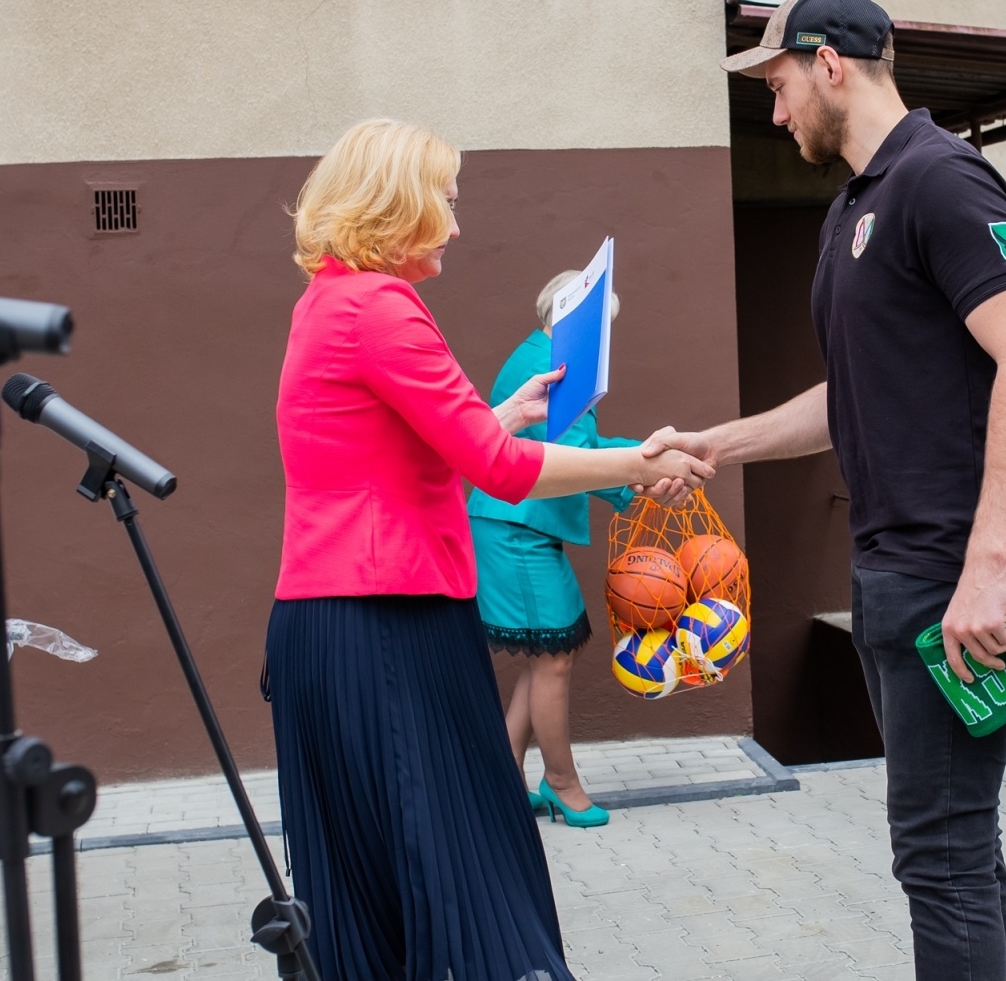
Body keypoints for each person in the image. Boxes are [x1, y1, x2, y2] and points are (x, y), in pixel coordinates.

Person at [645, 0, 1006, 980]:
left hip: (953, 576)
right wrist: (717, 443)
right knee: (956, 845)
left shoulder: (940, 181)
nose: (775, 108)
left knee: (939, 851)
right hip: (898, 567)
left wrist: (986, 569)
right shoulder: (853, 211)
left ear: (830, 63)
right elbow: (853, 395)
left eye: (780, 83)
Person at [265, 118, 712, 980]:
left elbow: (398, 446)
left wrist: (499, 413)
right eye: (444, 201)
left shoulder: (329, 298)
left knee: (376, 879)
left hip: (337, 621)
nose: (456, 224)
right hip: (384, 622)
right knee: (458, 856)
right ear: (393, 207)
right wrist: (638, 458)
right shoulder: (382, 307)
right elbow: (500, 470)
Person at [468, 271, 639, 829]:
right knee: (556, 657)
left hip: (518, 527)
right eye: (600, 329)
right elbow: (572, 460)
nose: (603, 342)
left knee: (551, 654)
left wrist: (645, 455)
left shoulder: (543, 356)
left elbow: (581, 448)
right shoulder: (553, 366)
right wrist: (642, 466)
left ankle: (503, 777)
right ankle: (561, 782)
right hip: (514, 529)